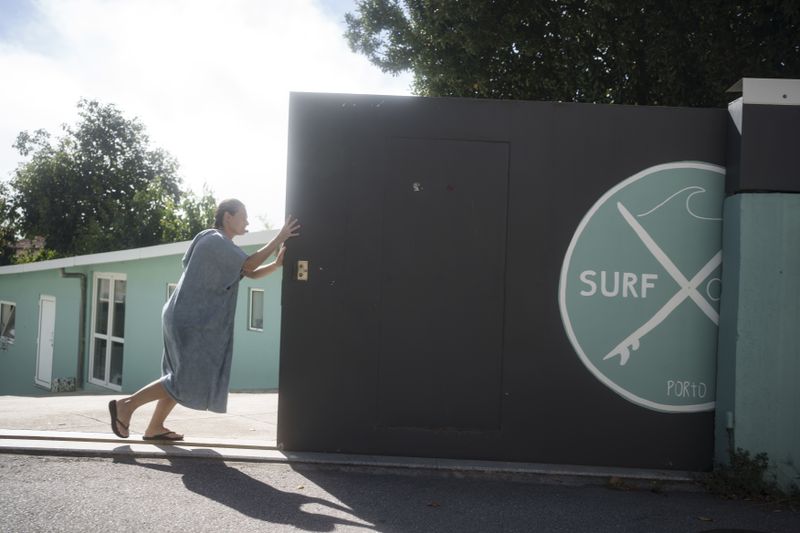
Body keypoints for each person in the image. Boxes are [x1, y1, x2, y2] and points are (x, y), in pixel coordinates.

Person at [108, 199, 300, 440]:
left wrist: (276, 264)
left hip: (184, 315)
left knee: (180, 375)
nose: (247, 222)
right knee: (183, 377)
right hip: (189, 318)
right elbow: (249, 264)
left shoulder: (220, 244)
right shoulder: (216, 241)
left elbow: (249, 272)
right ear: (227, 217)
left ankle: (155, 426)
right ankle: (127, 405)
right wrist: (279, 235)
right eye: (243, 216)